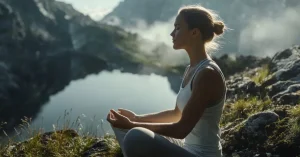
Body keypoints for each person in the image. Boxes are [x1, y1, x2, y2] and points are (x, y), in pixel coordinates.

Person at [106, 4, 227, 157]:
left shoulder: (207, 74)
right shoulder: (192, 68)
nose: (172, 33)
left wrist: (132, 125)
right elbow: (176, 113)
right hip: (186, 148)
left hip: (201, 155)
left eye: (177, 28)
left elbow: (181, 129)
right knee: (122, 127)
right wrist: (135, 118)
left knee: (135, 135)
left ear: (194, 32)